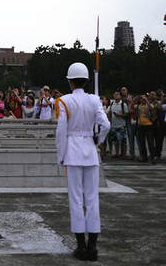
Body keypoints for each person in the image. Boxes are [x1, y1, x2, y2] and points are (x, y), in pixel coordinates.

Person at [55, 62, 110, 262]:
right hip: (90, 150)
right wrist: (98, 140)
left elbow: (61, 132)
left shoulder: (64, 101)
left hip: (72, 152)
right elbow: (105, 124)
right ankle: (93, 247)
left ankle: (81, 245)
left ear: (70, 82)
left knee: (76, 200)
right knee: (92, 198)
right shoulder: (94, 100)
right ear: (86, 81)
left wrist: (60, 155)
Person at [108, 90, 128, 158]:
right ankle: (117, 153)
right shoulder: (112, 104)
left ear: (120, 96)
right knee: (115, 141)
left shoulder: (123, 104)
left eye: (117, 94)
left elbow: (126, 114)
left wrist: (119, 115)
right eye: (114, 94)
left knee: (123, 140)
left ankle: (124, 154)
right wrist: (110, 119)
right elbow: (109, 112)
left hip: (121, 125)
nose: (115, 95)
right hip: (114, 125)